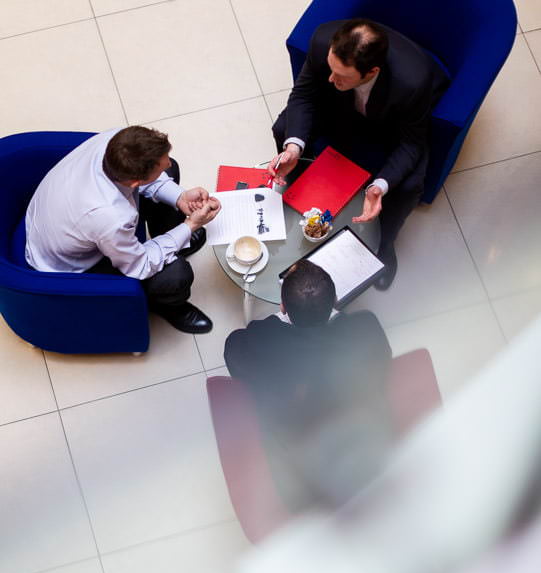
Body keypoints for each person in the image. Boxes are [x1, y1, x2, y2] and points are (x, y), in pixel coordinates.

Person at [269, 18, 449, 290]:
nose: (331, 78)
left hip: (390, 127)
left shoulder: (412, 83)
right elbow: (304, 95)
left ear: (371, 72)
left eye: (341, 76)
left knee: (410, 184)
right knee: (284, 128)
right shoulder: (322, 44)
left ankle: (385, 245)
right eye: (331, 70)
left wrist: (379, 186)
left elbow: (411, 143)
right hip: (338, 109)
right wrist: (293, 147)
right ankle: (303, 193)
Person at [224, 259, 393, 511]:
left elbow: (233, 350)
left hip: (301, 479)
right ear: (335, 300)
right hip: (370, 459)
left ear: (283, 307)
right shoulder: (364, 327)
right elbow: (382, 361)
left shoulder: (262, 339)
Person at [25, 126, 221, 334]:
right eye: (162, 162)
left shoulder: (116, 141)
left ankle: (174, 243)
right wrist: (190, 225)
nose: (168, 162)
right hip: (69, 264)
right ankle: (167, 304)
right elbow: (140, 265)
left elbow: (147, 179)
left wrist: (180, 198)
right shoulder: (111, 217)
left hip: (64, 216)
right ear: (136, 182)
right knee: (176, 274)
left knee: (171, 172)